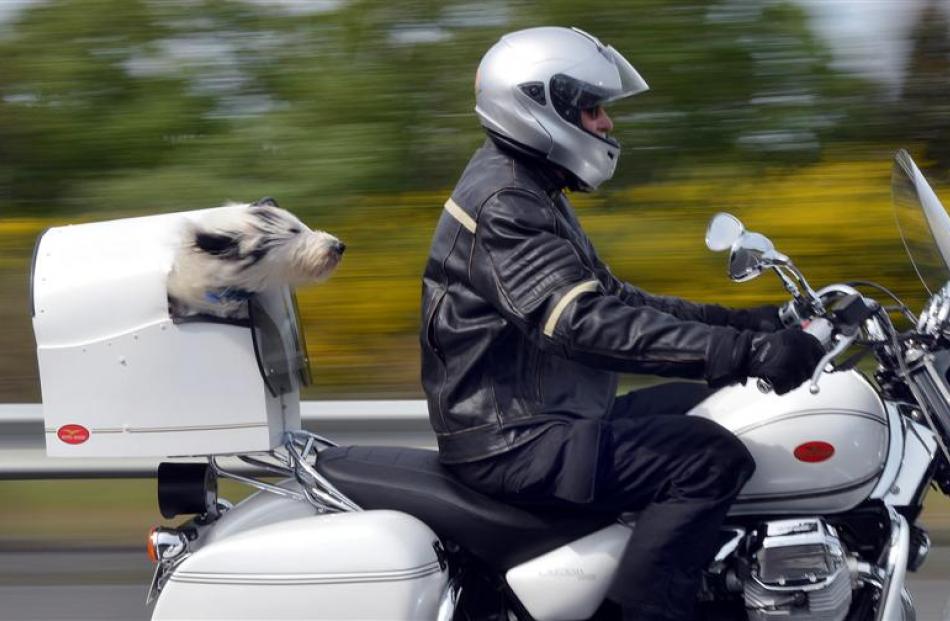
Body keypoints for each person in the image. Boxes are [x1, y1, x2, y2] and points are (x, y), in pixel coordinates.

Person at [419, 27, 825, 621]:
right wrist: (747, 353)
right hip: (516, 440)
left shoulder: (530, 187)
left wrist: (753, 324)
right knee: (710, 457)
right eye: (591, 109)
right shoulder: (505, 201)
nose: (606, 124)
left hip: (549, 417)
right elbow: (585, 322)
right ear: (537, 105)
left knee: (715, 404)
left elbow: (617, 299)